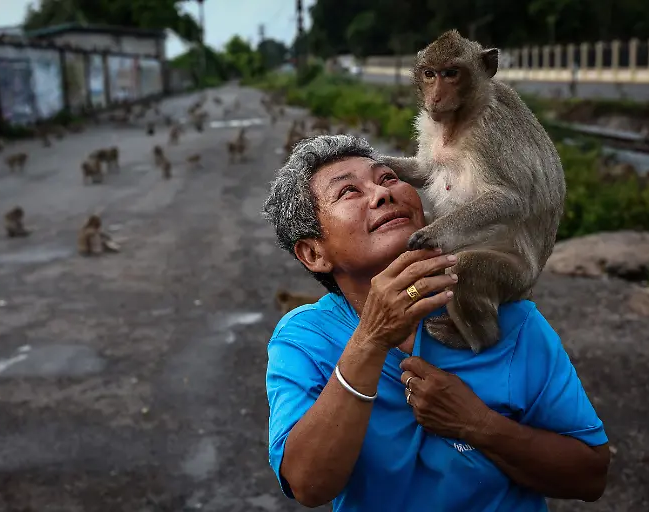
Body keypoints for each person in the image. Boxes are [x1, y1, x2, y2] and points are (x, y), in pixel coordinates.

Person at [260, 134, 610, 511]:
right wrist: (371, 339)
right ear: (313, 253)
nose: (382, 193)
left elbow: (589, 475)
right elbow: (307, 485)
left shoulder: (506, 316)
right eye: (348, 192)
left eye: (388, 178)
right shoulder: (305, 339)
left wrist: (477, 425)